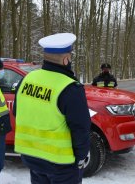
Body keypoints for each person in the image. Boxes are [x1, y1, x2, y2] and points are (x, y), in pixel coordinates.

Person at [13, 33, 91, 184]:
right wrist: (81, 157)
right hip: (61, 165)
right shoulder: (70, 88)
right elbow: (81, 129)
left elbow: (17, 112)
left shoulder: (27, 79)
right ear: (65, 59)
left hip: (32, 157)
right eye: (70, 56)